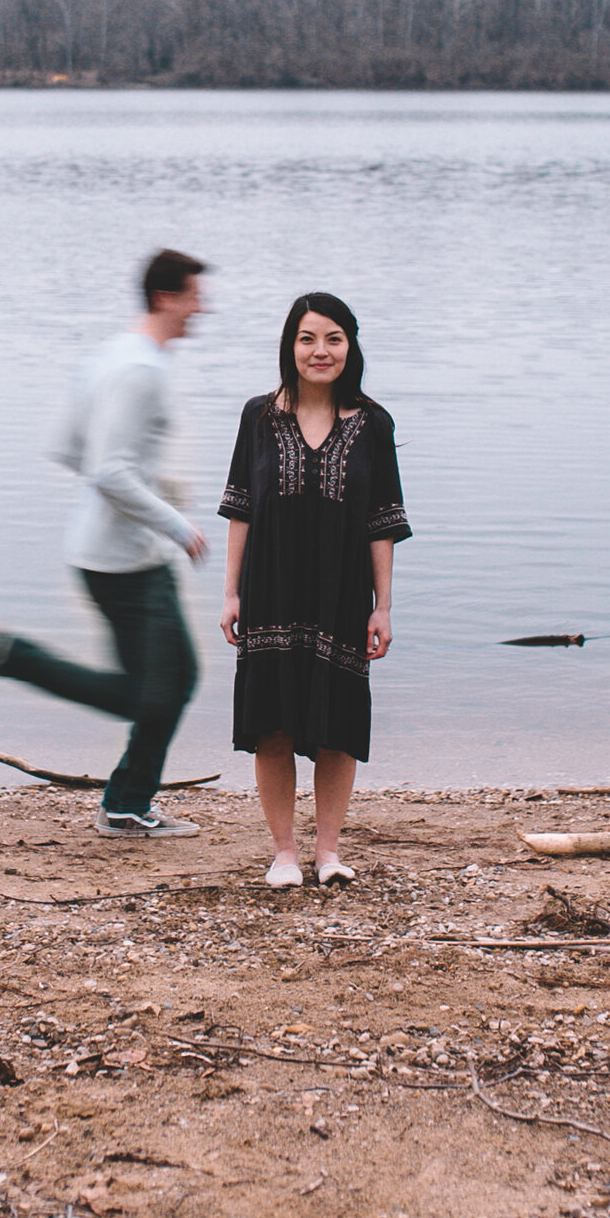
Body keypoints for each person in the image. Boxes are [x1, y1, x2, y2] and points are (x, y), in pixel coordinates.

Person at [0, 249, 211, 838]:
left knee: (166, 685)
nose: (202, 308)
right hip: (129, 559)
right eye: (194, 296)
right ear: (166, 297)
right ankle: (122, 800)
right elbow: (110, 471)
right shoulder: (142, 371)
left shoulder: (111, 356)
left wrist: (148, 484)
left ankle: (125, 798)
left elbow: (68, 447)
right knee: (161, 691)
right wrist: (175, 523)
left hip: (104, 551)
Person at [217, 293, 411, 887]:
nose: (319, 351)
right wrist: (231, 594)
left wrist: (382, 606)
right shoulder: (258, 416)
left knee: (338, 723)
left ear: (350, 346)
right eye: (307, 339)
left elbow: (382, 523)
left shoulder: (373, 424)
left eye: (332, 338)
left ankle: (328, 853)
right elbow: (241, 510)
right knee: (272, 722)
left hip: (340, 592)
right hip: (271, 587)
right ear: (289, 346)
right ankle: (284, 854)